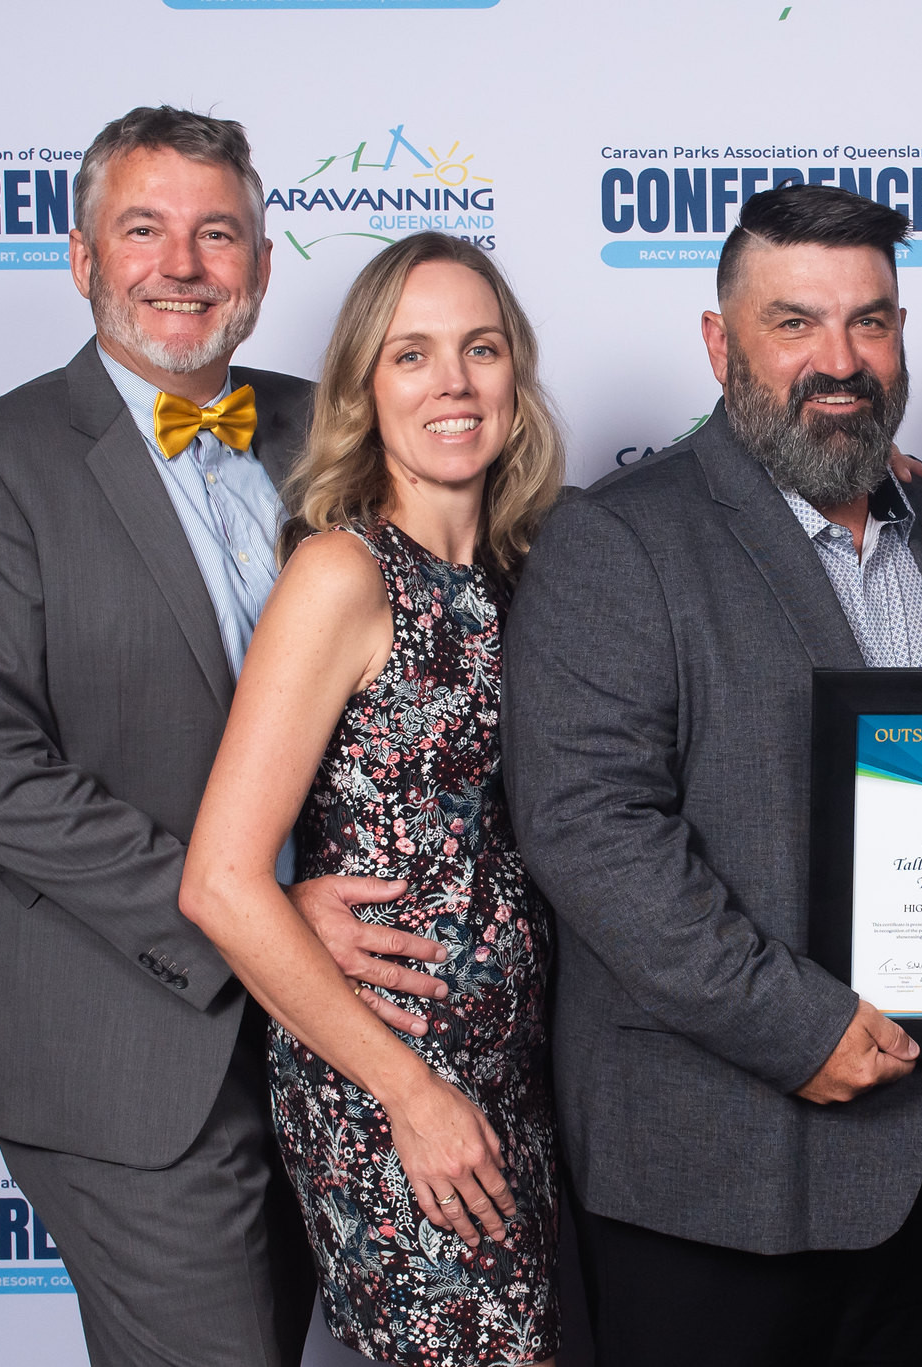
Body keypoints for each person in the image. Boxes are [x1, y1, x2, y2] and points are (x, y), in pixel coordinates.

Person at [0, 107, 447, 1367]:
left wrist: (823, 477)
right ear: (84, 257)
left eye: (219, 234)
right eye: (143, 229)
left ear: (261, 266)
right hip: (136, 1045)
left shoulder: (336, 426)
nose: (183, 265)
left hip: (347, 1032)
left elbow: (505, 527)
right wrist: (249, 908)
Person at [504, 183, 922, 1367]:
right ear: (718, 341)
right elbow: (592, 832)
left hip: (915, 1149)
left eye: (870, 321)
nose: (838, 361)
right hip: (710, 1162)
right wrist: (799, 1024)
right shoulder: (619, 538)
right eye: (794, 323)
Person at [178, 232, 565, 1366]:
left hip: (516, 1075)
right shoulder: (342, 574)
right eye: (411, 355)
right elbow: (221, 879)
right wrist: (410, 1094)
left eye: (479, 349)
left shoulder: (534, 560)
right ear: (362, 388)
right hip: (392, 1083)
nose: (452, 382)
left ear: (514, 376)